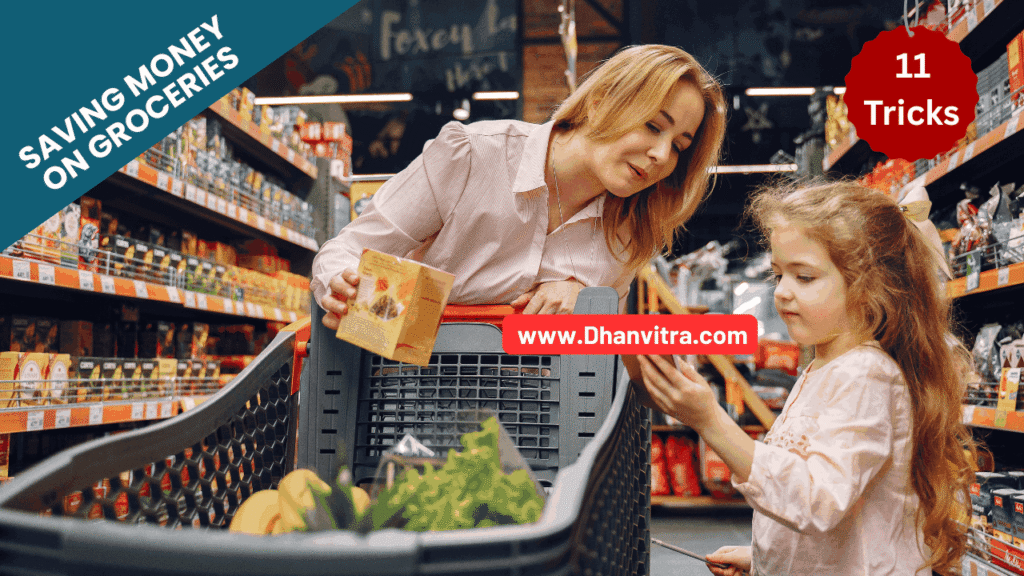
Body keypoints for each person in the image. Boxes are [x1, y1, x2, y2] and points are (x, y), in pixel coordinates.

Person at [636, 180, 976, 576]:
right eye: (778, 274)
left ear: (869, 289)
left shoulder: (866, 375)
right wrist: (764, 559)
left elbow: (819, 499)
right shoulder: (823, 366)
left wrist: (710, 421)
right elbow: (825, 503)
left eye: (804, 277)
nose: (781, 292)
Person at [312, 44, 727, 328]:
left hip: (540, 434)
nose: (661, 154)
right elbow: (348, 250)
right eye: (653, 126)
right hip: (407, 406)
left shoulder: (630, 232)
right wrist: (343, 285)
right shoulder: (473, 156)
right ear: (600, 104)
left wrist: (585, 301)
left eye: (679, 146)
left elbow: (597, 364)